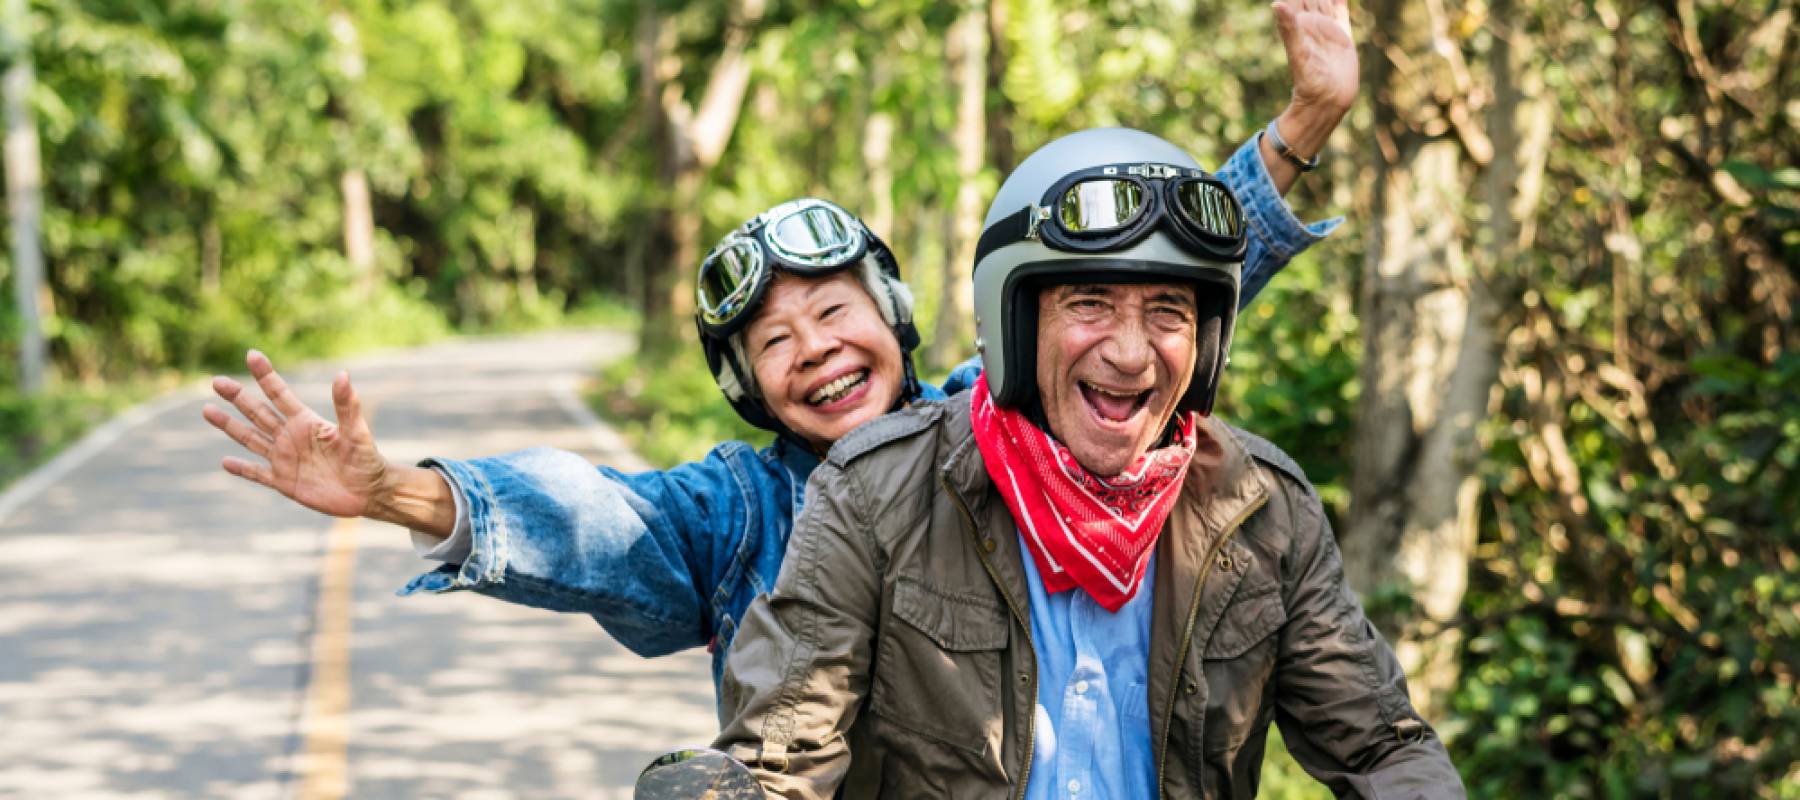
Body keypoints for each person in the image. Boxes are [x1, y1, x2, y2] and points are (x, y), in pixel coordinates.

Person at [200, 0, 1358, 707]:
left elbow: (1143, 303)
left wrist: (1301, 124)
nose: (813, 349)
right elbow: (592, 516)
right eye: (773, 340)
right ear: (745, 382)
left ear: (895, 315)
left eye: (834, 311)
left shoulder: (996, 419)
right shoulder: (740, 512)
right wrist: (399, 490)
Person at [712, 126, 1465, 797]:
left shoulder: (1263, 511)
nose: (1131, 352)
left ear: (1203, 345)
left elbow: (1378, 747)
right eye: (1090, 304)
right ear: (1014, 320)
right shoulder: (876, 492)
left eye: (1168, 311)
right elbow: (778, 757)